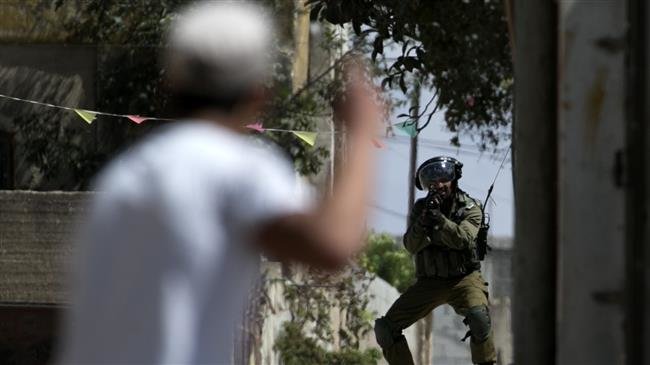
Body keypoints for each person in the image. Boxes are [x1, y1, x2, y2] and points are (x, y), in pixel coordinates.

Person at [55, 2, 382, 364]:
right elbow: (332, 243)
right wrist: (362, 131)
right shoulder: (235, 165)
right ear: (259, 95)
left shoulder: (126, 174)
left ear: (170, 84)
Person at [374, 156, 496, 365]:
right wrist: (424, 221)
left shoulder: (470, 208)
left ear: (454, 179)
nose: (438, 185)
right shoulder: (421, 209)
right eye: (432, 182)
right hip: (430, 282)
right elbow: (410, 245)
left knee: (479, 318)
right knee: (386, 329)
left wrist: (440, 221)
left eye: (443, 179)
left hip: (464, 279)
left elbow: (464, 239)